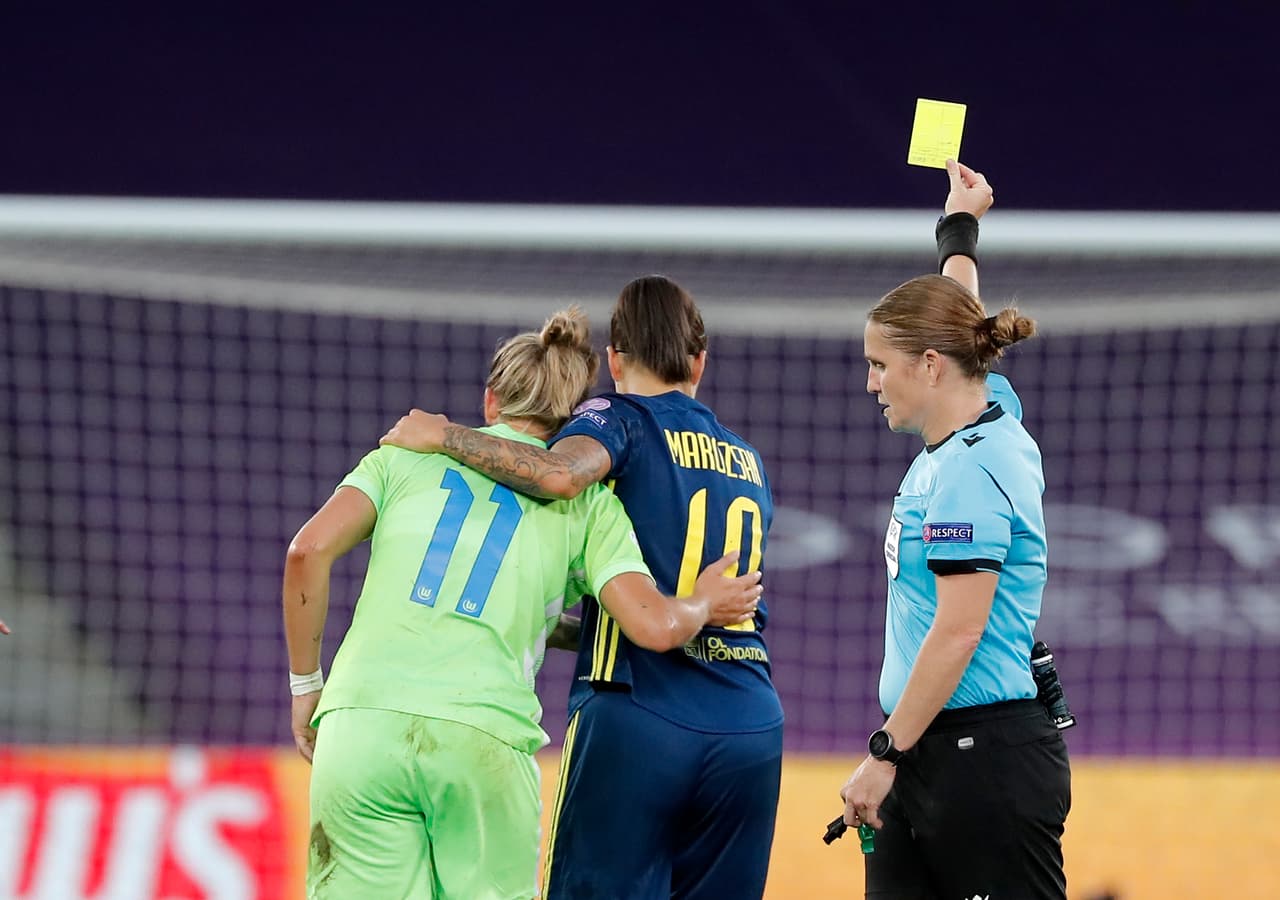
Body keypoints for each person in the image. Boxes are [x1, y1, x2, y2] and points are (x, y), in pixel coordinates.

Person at [283, 307, 763, 900]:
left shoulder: (403, 457)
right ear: (570, 422)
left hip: (359, 728)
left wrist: (307, 686)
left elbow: (306, 553)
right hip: (483, 737)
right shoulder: (589, 506)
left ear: (490, 402)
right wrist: (701, 605)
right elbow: (656, 627)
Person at [839, 161, 1071, 899]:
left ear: (930, 367)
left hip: (981, 766)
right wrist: (960, 228)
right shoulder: (984, 402)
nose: (871, 382)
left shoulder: (970, 470)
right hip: (933, 751)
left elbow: (958, 632)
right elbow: (963, 317)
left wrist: (883, 752)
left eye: (880, 366)